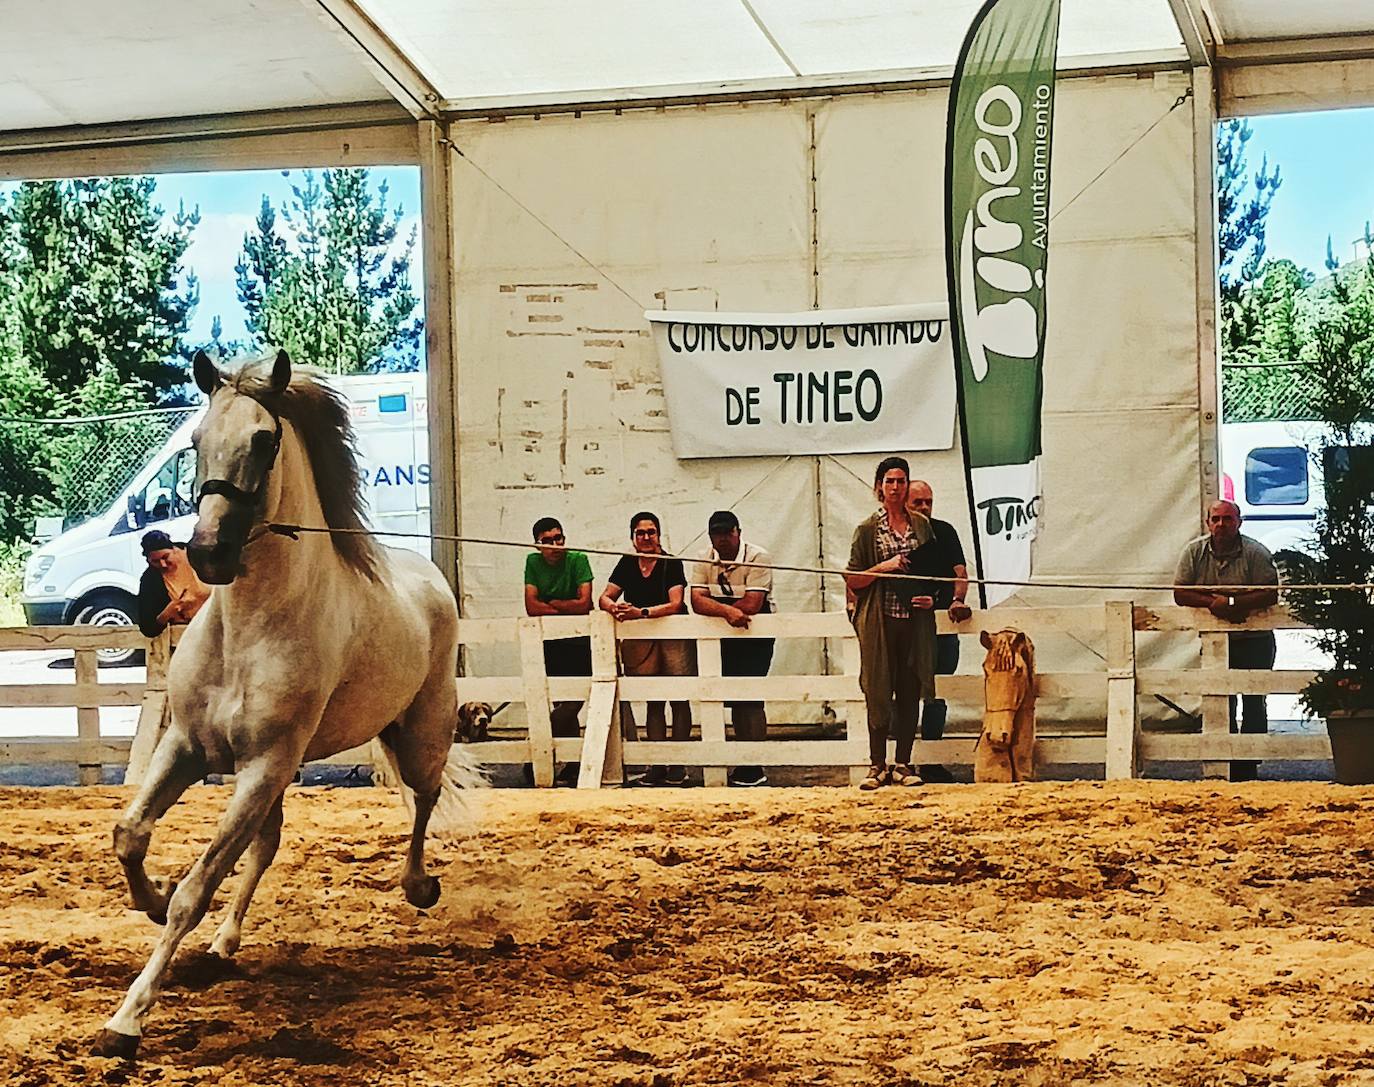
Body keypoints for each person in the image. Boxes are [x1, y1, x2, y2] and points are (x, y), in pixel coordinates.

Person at [844, 457, 937, 790]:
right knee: (878, 688)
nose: (895, 487)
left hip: (914, 620)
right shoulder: (867, 530)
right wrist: (886, 566)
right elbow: (853, 579)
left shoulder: (922, 527)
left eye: (901, 481)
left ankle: (904, 762)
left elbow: (934, 570)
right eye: (889, 481)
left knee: (911, 687)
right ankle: (876, 764)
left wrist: (933, 597)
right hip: (880, 619)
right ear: (879, 487)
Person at [1173, 499, 1280, 782]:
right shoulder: (1194, 552)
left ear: (1239, 522)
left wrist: (1231, 602)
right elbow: (1180, 592)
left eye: (1228, 519)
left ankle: (1249, 764)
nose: (1222, 525)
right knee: (1222, 700)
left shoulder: (1256, 552)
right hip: (1215, 642)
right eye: (1216, 519)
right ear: (1208, 523)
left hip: (1255, 639)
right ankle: (1226, 759)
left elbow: (1270, 593)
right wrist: (1214, 604)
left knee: (1255, 699)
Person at [599, 512, 694, 786]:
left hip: (673, 635)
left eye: (651, 532)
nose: (646, 537)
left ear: (659, 535)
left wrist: (641, 612)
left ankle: (677, 765)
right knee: (653, 698)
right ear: (633, 537)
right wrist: (614, 607)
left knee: (678, 697)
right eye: (641, 533)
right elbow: (604, 596)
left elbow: (676, 603)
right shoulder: (627, 563)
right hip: (641, 639)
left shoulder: (670, 562)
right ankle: (657, 764)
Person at [689, 510, 774, 787]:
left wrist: (719, 612)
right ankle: (743, 759)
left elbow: (753, 603)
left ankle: (755, 761)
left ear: (738, 532)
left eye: (728, 532)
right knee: (732, 696)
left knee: (751, 696)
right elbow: (696, 601)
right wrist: (726, 613)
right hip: (723, 633)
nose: (723, 539)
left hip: (755, 635)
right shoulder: (703, 557)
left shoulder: (758, 556)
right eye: (717, 533)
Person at [906, 481, 973, 784]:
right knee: (903, 690)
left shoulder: (944, 531)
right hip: (905, 623)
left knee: (939, 690)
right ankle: (902, 761)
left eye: (928, 502)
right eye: (917, 502)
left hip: (942, 624)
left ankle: (931, 760)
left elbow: (960, 573)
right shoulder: (890, 536)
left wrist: (957, 600)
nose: (924, 508)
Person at [524, 516, 594, 787]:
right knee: (562, 703)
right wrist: (566, 606)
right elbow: (531, 606)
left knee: (572, 703)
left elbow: (585, 603)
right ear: (537, 544)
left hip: (579, 641)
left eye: (559, 538)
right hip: (551, 642)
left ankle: (535, 748)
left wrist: (551, 603)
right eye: (548, 540)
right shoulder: (532, 562)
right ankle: (574, 763)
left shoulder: (578, 559)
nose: (556, 545)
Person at [137, 530, 210, 638]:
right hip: (188, 633)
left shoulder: (197, 554)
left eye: (166, 557)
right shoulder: (150, 580)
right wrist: (167, 613)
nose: (163, 564)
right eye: (155, 561)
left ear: (174, 550)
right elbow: (147, 628)